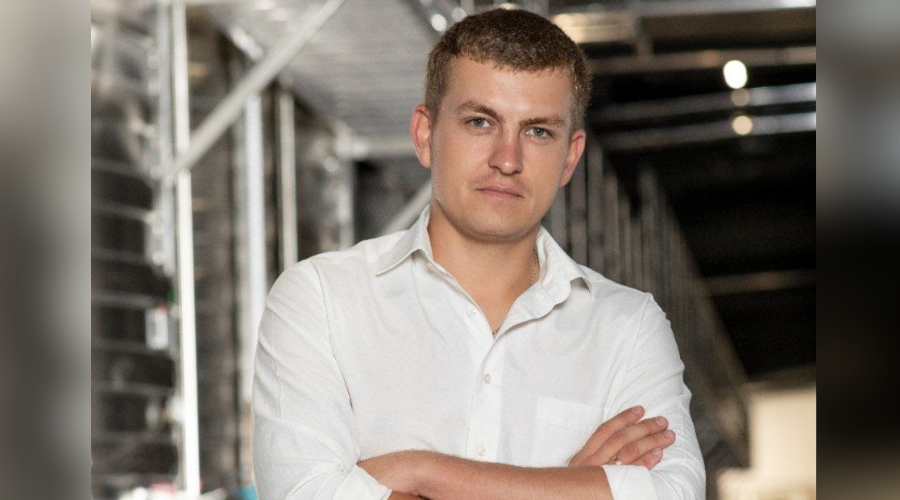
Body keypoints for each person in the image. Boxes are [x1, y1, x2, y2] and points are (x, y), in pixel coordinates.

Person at [252, 7, 705, 500]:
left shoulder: (629, 326)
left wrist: (419, 469)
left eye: (537, 131)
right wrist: (568, 484)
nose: (507, 160)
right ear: (425, 135)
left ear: (569, 157)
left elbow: (674, 492)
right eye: (480, 122)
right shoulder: (321, 299)